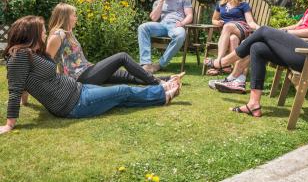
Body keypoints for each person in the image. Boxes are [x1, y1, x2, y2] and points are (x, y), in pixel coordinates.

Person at [0, 16, 182, 134]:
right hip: (73, 104)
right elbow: (16, 88)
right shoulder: (20, 56)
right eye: (42, 31)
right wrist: (10, 124)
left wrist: (26, 102)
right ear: (31, 35)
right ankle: (161, 92)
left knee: (120, 97)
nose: (45, 33)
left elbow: (24, 84)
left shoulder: (30, 54)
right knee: (122, 91)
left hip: (78, 90)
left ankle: (162, 92)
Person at [210, 0, 308, 93]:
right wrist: (280, 31)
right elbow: (298, 25)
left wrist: (285, 32)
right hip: (297, 45)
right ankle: (237, 80)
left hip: (306, 50)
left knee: (262, 31)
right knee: (256, 45)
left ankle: (223, 63)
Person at [138, 0, 193, 73]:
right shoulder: (158, 2)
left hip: (176, 25)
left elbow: (189, 15)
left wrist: (182, 23)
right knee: (143, 27)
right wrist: (162, 0)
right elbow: (154, 18)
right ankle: (146, 63)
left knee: (180, 34)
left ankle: (160, 64)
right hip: (162, 26)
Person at [206, 0, 259, 76]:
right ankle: (235, 72)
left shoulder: (243, 5)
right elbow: (214, 19)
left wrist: (259, 28)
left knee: (228, 26)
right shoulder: (221, 5)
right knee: (233, 39)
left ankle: (218, 62)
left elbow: (250, 22)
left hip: (242, 29)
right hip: (228, 33)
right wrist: (217, 23)